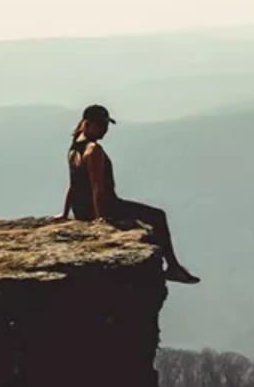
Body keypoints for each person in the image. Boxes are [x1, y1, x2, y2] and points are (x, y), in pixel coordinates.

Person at [56, 104, 200, 284]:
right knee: (157, 216)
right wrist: (101, 217)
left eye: (106, 125)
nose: (105, 130)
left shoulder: (74, 148)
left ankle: (173, 267)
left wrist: (65, 213)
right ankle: (173, 267)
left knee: (148, 219)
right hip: (107, 206)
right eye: (101, 125)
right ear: (87, 124)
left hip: (82, 210)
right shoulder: (93, 150)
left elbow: (74, 184)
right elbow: (96, 186)